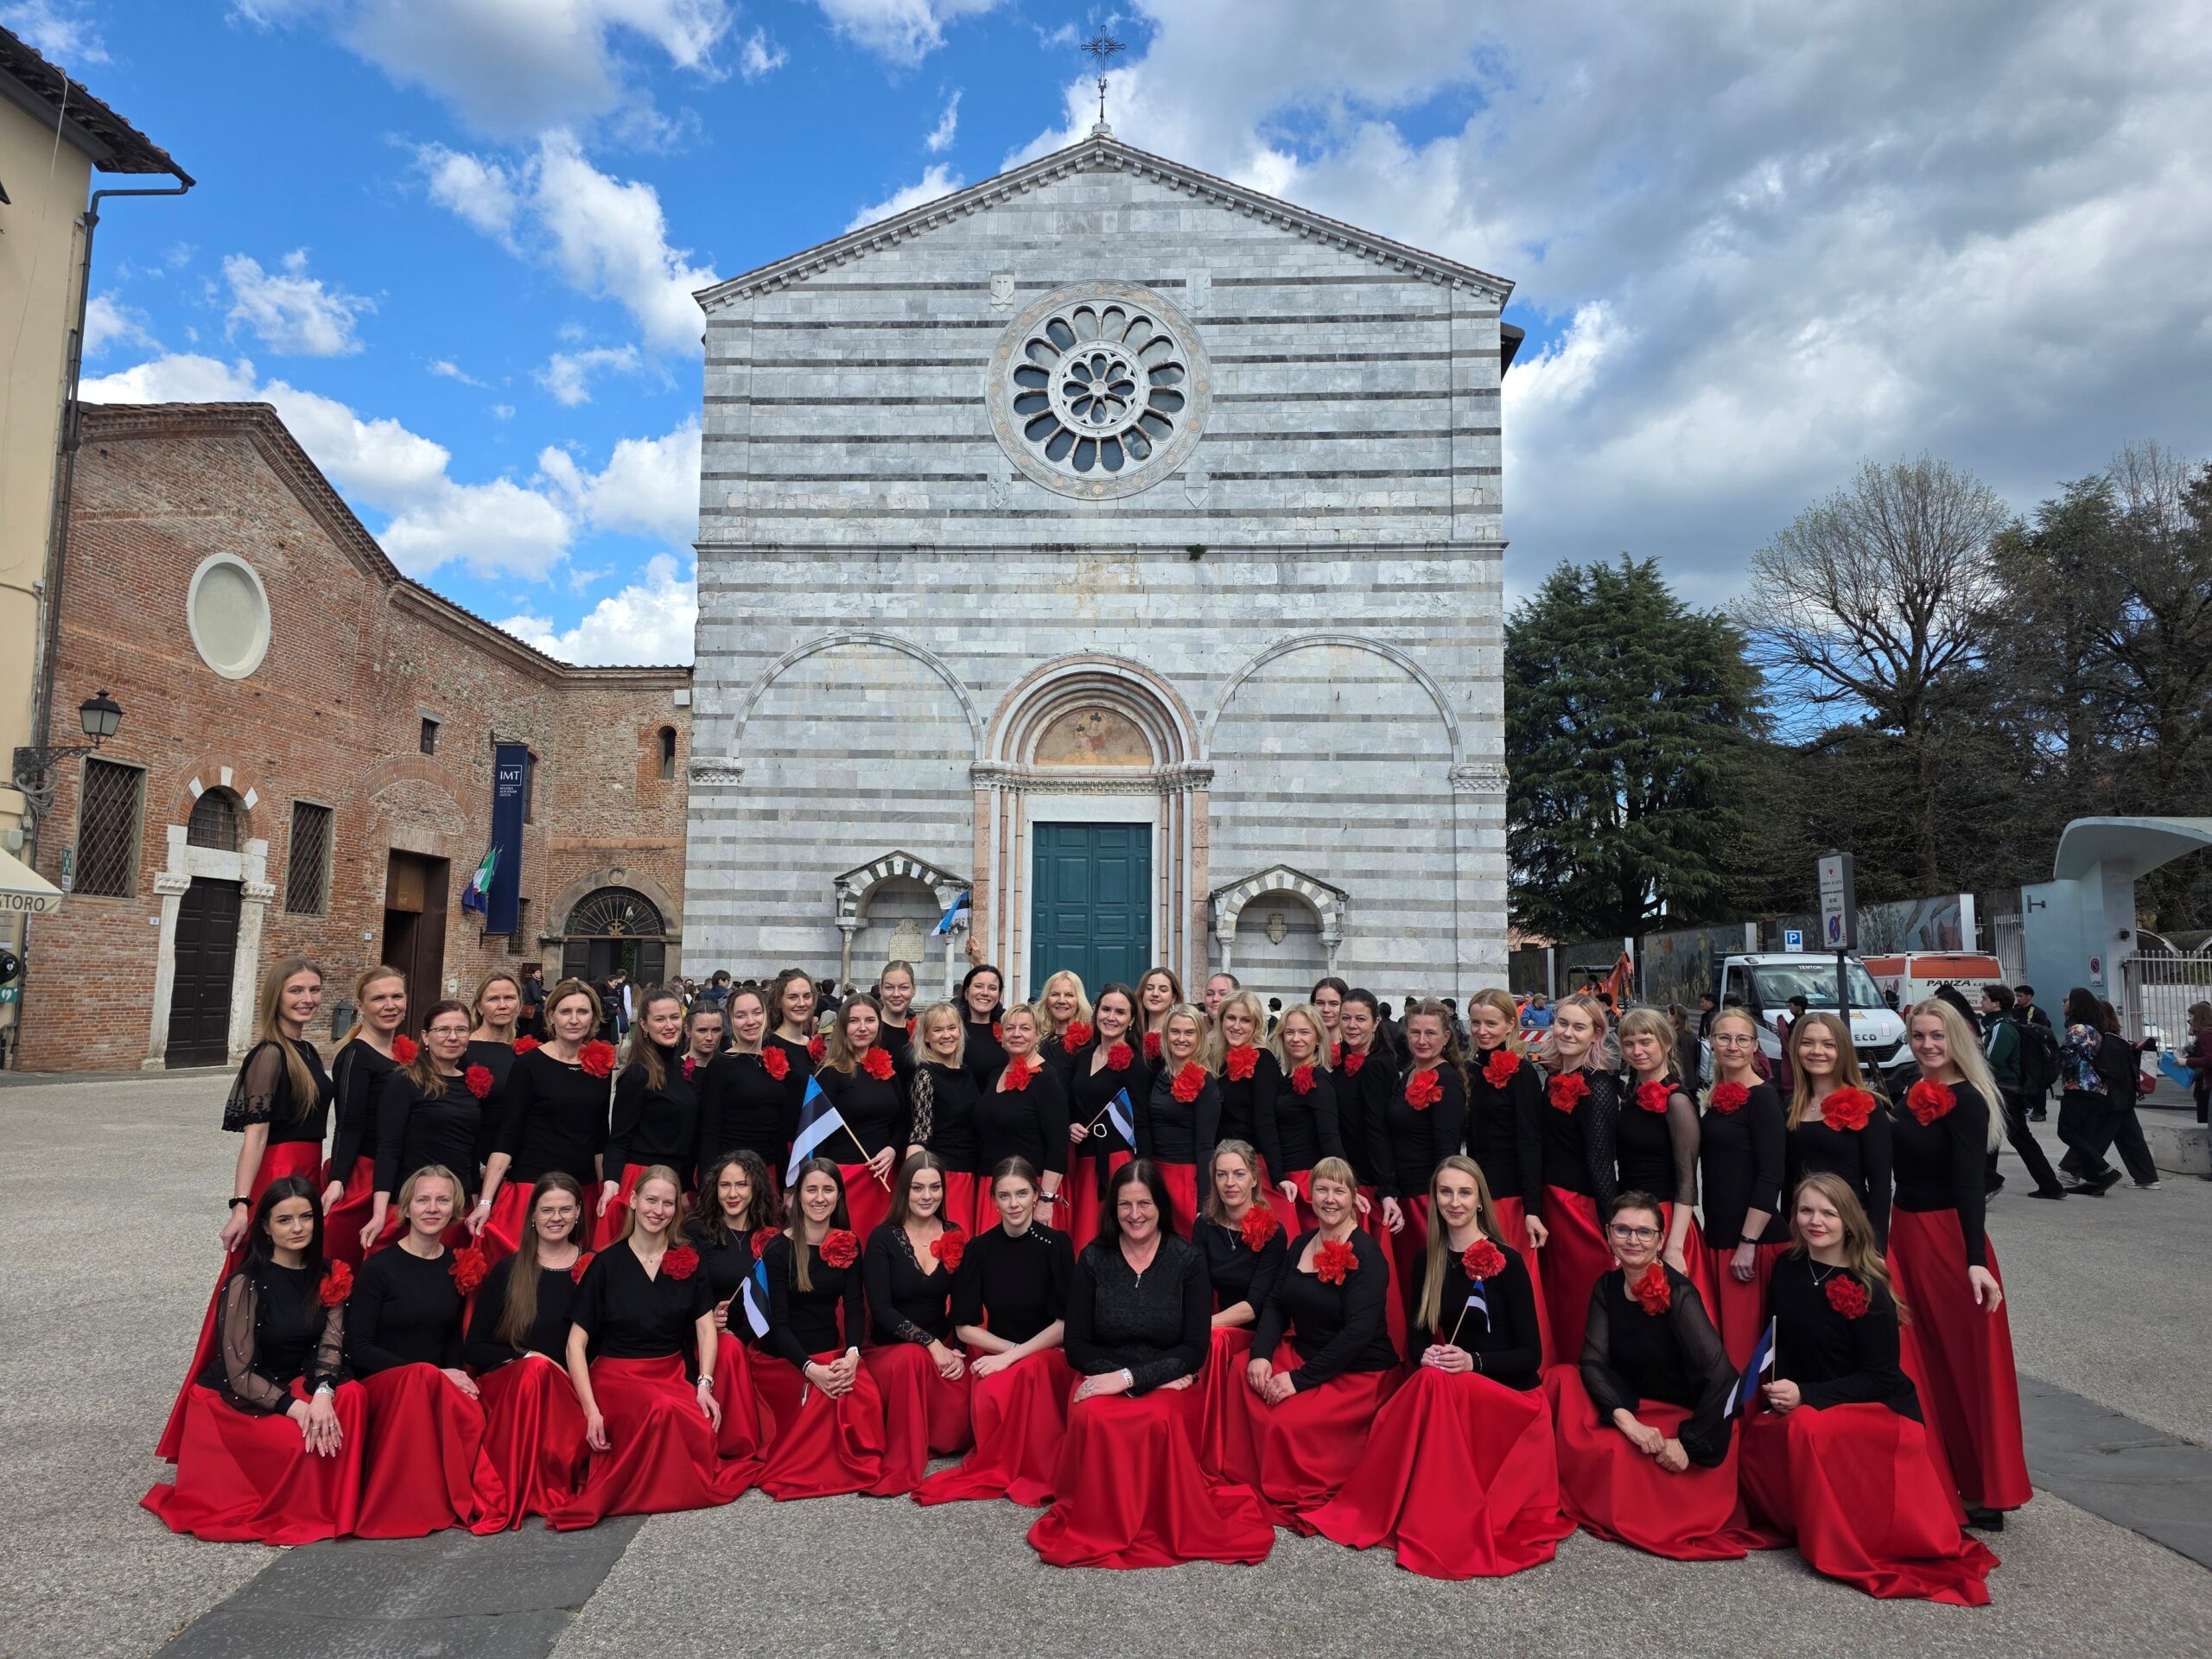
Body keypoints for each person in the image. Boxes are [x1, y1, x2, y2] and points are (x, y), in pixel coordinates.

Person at [1740, 1174, 1998, 1604]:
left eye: (1828, 1212)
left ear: (1850, 1220)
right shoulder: (1786, 1266)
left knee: (1805, 1427)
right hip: (1807, 1393)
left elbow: (1880, 1377)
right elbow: (1777, 1338)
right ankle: (1795, 1517)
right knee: (1759, 1432)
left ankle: (1832, 1540)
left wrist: (1806, 1395)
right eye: (1806, 1210)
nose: (1815, 1221)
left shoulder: (1869, 1284)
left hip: (1875, 1407)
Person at [1309, 1156, 1567, 1579]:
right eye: (1445, 1192)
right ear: (1434, 1199)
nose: (1455, 1201)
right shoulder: (1424, 1261)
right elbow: (1415, 1338)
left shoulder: (1508, 1262)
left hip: (1512, 1397)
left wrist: (1472, 1361)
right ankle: (1402, 1505)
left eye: (1464, 1192)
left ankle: (1417, 1512)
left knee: (1431, 1383)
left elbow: (1531, 1356)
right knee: (1429, 1376)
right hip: (1451, 1388)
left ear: (1480, 1200)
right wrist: (1426, 1354)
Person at [1027, 1160, 1275, 1568]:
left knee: (1159, 1419)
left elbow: (1195, 1348)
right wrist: (1119, 1379)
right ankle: (1099, 1521)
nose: (1135, 1214)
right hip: (1106, 1373)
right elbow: (1076, 1344)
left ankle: (1162, 1520)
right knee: (1093, 1416)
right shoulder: (1093, 1258)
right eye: (1125, 1205)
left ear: (1160, 1205)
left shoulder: (1188, 1261)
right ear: (1114, 1209)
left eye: (1144, 1203)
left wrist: (1135, 1378)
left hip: (1169, 1382)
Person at [157, 957, 334, 1462]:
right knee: (251, 1287)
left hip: (307, 1171)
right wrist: (242, 1204)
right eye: (296, 990)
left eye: (314, 990)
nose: (307, 999)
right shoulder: (270, 1054)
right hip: (280, 1174)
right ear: (276, 996)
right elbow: (255, 1136)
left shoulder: (305, 1048)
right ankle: (234, 1397)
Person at [143, 1178, 365, 1543]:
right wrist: (298, 1409)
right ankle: (307, 1507)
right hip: (241, 1397)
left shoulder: (330, 1274)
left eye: (306, 1217)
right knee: (298, 1443)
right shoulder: (245, 1283)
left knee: (351, 1397)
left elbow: (331, 1345)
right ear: (265, 1226)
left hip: (297, 1379)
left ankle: (339, 1503)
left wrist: (324, 1393)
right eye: (284, 1220)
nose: (298, 1228)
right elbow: (239, 1372)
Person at [1549, 1192, 1766, 1560]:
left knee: (1629, 1465)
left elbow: (1725, 1378)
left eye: (1644, 1232)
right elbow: (1593, 1361)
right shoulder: (1606, 1286)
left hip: (1685, 1414)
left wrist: (1689, 1444)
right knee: (1561, 1378)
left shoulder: (1679, 1295)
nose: (1632, 1240)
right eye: (1623, 1229)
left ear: (1661, 1240)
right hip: (1634, 1403)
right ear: (1608, 1233)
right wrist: (1626, 1420)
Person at [1888, 998, 2031, 1529]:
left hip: (1948, 1241)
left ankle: (1983, 1489)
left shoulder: (1967, 1099)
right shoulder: (1911, 1087)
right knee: (1923, 1359)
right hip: (1907, 1234)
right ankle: (1947, 1475)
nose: (1927, 1045)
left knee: (1964, 1361)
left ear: (1957, 1040)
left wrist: (1975, 1259)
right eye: (1919, 1035)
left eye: (1937, 1037)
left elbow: (1972, 1182)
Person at [551, 1167, 749, 1526]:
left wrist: (704, 1384)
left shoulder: (689, 1260)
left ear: (677, 1209)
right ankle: (649, 1491)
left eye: (668, 1203)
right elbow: (574, 1346)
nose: (658, 1210)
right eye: (651, 1200)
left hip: (671, 1370)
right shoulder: (605, 1264)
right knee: (661, 1410)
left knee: (697, 1426)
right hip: (617, 1374)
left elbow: (706, 1330)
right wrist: (591, 1410)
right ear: (634, 1201)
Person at [1243, 1157, 1399, 1524]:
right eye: (1322, 1190)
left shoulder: (1367, 1253)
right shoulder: (1299, 1245)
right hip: (1306, 1353)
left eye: (1339, 1190)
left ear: (1354, 1198)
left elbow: (1357, 1334)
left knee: (1285, 1423)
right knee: (1242, 1372)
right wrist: (1261, 1354)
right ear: (1310, 1196)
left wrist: (1297, 1380)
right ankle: (1249, 1473)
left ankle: (1291, 1483)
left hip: (1358, 1373)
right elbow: (1278, 1304)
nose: (1330, 1199)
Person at [915, 1157, 1076, 1506]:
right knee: (995, 1384)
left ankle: (1038, 1465)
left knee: (1024, 1373)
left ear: (1036, 1196)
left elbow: (1065, 1324)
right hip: (1002, 1351)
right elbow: (965, 1327)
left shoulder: (1057, 1245)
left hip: (1050, 1355)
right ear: (993, 1200)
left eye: (1022, 1194)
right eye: (1005, 1196)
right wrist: (1008, 1353)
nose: (1014, 1203)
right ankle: (1005, 1464)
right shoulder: (980, 1250)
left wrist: (1014, 1356)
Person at [345, 1166, 486, 1536]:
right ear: (406, 1208)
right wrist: (432, 1374)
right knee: (424, 1379)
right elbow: (358, 1349)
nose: (432, 1208)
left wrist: (454, 1372)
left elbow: (452, 1337)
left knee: (475, 1407)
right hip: (385, 1385)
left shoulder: (454, 1264)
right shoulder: (379, 1268)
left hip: (431, 1383)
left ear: (455, 1207)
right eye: (423, 1200)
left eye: (442, 1200)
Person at [464, 1173, 590, 1531]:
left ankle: (554, 1478)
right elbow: (474, 1348)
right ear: (532, 1215)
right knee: (536, 1374)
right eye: (547, 1209)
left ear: (579, 1212)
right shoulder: (508, 1270)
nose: (556, 1217)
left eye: (566, 1209)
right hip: (516, 1389)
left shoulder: (593, 1267)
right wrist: (529, 1359)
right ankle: (525, 1487)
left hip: (574, 1390)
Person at [754, 1159, 887, 1498]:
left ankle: (853, 1461)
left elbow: (855, 1307)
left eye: (828, 1189)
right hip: (786, 1359)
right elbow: (778, 1324)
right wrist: (812, 1370)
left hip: (831, 1351)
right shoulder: (778, 1248)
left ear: (839, 1196)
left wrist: (853, 1354)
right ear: (797, 1197)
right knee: (823, 1399)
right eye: (811, 1189)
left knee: (860, 1390)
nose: (819, 1197)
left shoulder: (848, 1243)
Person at [471, 982, 613, 1262]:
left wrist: (603, 1189)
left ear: (593, 1018)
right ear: (551, 1017)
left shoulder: (600, 1067)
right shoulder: (529, 1065)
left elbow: (600, 1137)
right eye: (566, 1011)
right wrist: (486, 1201)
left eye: (582, 1012)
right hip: (533, 1187)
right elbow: (509, 1134)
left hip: (580, 1190)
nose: (574, 1019)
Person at [861, 1152, 975, 1495]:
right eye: (917, 1188)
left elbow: (965, 1305)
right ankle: (906, 1452)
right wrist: (930, 1344)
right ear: (903, 1192)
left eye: (935, 1187)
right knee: (912, 1358)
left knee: (977, 1380)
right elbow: (880, 1308)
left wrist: (959, 1351)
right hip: (890, 1351)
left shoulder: (955, 1233)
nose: (927, 1196)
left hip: (943, 1345)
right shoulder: (883, 1237)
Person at [1696, 1007, 1791, 1369]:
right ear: (1712, 1043)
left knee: (1743, 1354)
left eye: (1742, 1039)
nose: (1732, 1046)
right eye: (1724, 1038)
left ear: (1755, 1046)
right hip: (1719, 1238)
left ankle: (1745, 1424)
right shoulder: (1718, 1095)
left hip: (1753, 1244)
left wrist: (1748, 1244)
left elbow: (1771, 1175)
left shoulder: (1764, 1098)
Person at [1192, 1139, 1287, 1488]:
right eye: (1222, 1174)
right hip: (1217, 1323)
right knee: (1208, 1338)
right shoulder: (1205, 1225)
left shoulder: (1274, 1232)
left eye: (1238, 1173)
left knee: (1214, 1340)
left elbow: (1255, 1305)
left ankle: (1210, 1450)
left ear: (1253, 1179)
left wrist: (1200, 1327)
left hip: (1255, 1330)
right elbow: (1197, 1287)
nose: (1230, 1182)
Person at [1535, 994, 1620, 1361]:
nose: (1568, 1032)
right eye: (1562, 1023)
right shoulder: (1555, 1075)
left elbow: (1601, 1162)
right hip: (1551, 1201)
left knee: (1580, 1298)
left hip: (1578, 1207)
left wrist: (1610, 1223)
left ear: (1595, 1034)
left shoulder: (1599, 1084)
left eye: (1579, 1027)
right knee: (1556, 1296)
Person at [1376, 1001, 1471, 1311]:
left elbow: (1447, 1149)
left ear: (1446, 1038)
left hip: (1425, 1200)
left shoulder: (1447, 1080)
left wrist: (1441, 1205)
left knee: (1428, 1283)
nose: (1422, 1040)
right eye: (1415, 1032)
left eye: (1431, 1033)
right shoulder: (1404, 1075)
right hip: (1401, 1196)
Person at [365, 1001, 480, 1254]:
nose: (452, 1037)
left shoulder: (470, 1084)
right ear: (426, 1037)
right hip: (414, 1206)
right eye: (443, 1030)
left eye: (461, 1030)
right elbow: (388, 1148)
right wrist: (379, 1212)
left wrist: (475, 1205)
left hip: (456, 1208)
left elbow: (469, 1151)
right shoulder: (405, 1081)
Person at [686, 1150, 777, 1462]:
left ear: (755, 1189)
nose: (733, 1193)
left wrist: (741, 1333)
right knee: (728, 1349)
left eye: (742, 1185)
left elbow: (772, 1298)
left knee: (736, 1346)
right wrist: (708, 1316)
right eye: (725, 1185)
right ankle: (732, 1445)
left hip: (755, 1334)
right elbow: (690, 1290)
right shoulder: (697, 1231)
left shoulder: (770, 1236)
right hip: (709, 1335)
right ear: (714, 1188)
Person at [596, 988, 699, 1247]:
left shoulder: (679, 1067)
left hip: (676, 1179)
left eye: (674, 1018)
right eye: (660, 1019)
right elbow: (619, 1137)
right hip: (643, 1178)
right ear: (643, 1024)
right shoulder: (637, 1074)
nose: (669, 1025)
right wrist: (611, 1182)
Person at [1616, 1008, 1707, 1295]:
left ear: (1666, 1043)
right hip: (1631, 1221)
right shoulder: (1630, 1096)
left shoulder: (1677, 1101)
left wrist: (1675, 1246)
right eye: (1629, 1043)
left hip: (1667, 1223)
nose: (1637, 1050)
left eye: (1646, 1041)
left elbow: (1687, 1182)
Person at [1783, 1011, 1894, 1245]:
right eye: (1807, 1043)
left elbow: (1880, 1184)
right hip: (1803, 1229)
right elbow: (1787, 1180)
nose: (1817, 1051)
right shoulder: (1789, 1105)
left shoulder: (1868, 1105)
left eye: (1828, 1044)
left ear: (1842, 1050)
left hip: (1851, 1231)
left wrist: (1877, 1249)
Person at [323, 966, 410, 1267]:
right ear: (360, 1006)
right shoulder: (356, 1055)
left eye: (397, 996)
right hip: (366, 1172)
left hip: (396, 1169)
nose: (390, 1005)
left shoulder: (399, 1052)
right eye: (379, 998)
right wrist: (338, 1180)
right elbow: (349, 1122)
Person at [810, 991, 911, 1242]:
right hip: (846, 1177)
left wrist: (891, 1149)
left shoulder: (887, 1068)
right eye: (854, 1021)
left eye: (870, 1020)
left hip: (885, 1175)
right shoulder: (829, 1072)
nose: (862, 1028)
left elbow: (903, 1118)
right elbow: (816, 1136)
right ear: (843, 1026)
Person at [1064, 982, 1148, 1254]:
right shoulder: (1081, 1057)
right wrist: (1071, 1125)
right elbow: (1073, 1105)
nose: (1111, 1017)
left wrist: (1143, 1175)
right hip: (1080, 1161)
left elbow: (1142, 1122)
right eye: (1106, 1009)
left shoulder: (1136, 1064)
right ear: (1096, 1012)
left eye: (1120, 1012)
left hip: (1116, 1162)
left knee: (1106, 1234)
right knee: (1079, 1233)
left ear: (1131, 1019)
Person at [976, 1001, 1071, 1233]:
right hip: (992, 1188)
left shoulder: (1047, 1079)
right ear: (1001, 1035)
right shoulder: (994, 1076)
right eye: (1010, 1028)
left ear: (1038, 1034)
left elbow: (1058, 1144)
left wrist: (1046, 1201)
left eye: (1025, 1028)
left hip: (1029, 1192)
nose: (1016, 1034)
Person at [1137, 1003, 1218, 1234]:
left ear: (1199, 1037)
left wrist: (1205, 1201)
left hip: (1186, 1178)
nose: (1181, 1039)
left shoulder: (1207, 1083)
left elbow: (1205, 1146)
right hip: (1156, 1173)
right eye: (1175, 1031)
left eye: (1189, 1032)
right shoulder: (1158, 1073)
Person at [696, 985, 795, 1175]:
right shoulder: (721, 1064)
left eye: (756, 1013)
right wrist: (707, 1184)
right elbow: (710, 1129)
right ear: (731, 1020)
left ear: (766, 1014)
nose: (750, 1021)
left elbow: (780, 1128)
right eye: (741, 1016)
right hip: (733, 1172)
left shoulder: (775, 1057)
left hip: (770, 1170)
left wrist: (786, 1182)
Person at [1979, 984, 2065, 1198]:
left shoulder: (2002, 1027)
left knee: (2003, 1136)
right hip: (2009, 1090)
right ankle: (2050, 1186)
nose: (1981, 1003)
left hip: (2003, 1090)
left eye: (1984, 999)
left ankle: (1990, 1183)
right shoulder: (2007, 1023)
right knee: (2004, 1137)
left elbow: (1992, 1060)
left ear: (1996, 1003)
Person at [906, 1001, 984, 1232]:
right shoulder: (925, 1075)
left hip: (971, 1172)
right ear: (926, 1037)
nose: (946, 1035)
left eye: (951, 1028)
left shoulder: (966, 1071)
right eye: (938, 1030)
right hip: (946, 1176)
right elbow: (920, 1132)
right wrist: (916, 1183)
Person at [1268, 1003, 1344, 1230]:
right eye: (1290, 1032)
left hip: (1306, 1183)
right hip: (1287, 1180)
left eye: (1304, 1032)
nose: (1296, 1038)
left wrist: (1344, 1186)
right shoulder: (1285, 1079)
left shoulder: (1318, 1080)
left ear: (1318, 1039)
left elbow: (1330, 1136)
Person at [1211, 989, 1285, 1189]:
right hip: (1221, 1164)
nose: (1236, 1026)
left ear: (1256, 1025)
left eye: (1245, 1020)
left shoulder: (1264, 1060)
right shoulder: (1217, 1059)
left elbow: (1266, 1119)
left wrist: (1278, 1176)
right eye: (1231, 1018)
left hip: (1250, 1166)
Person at [466, 973, 526, 1180]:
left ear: (519, 1003)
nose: (503, 1005)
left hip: (515, 1162)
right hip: (478, 1162)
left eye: (509, 998)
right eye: (493, 999)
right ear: (480, 1007)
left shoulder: (520, 1051)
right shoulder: (463, 1049)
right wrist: (478, 1166)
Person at [1037, 969, 1094, 1089]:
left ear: (1078, 1001)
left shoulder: (1090, 1044)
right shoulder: (1038, 1040)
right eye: (1055, 995)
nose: (1061, 1001)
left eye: (1069, 995)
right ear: (1047, 1001)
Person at [957, 963, 1007, 1094]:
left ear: (999, 995)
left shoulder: (1009, 1032)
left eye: (992, 988)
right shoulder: (952, 1031)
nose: (985, 993)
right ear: (966, 992)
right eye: (978, 986)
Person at [1135, 965, 1184, 1062]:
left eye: (1163, 990)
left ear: (1173, 998)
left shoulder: (1178, 1034)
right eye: (1149, 988)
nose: (1155, 994)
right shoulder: (1132, 1030)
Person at [875, 959, 918, 1065]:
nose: (896, 994)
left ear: (914, 989)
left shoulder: (919, 1032)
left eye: (903, 988)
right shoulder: (868, 1029)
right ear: (880, 989)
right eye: (889, 987)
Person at [1308, 976, 1348, 1047]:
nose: (1326, 1009)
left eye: (1334, 1004)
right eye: (1320, 1003)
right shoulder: (1303, 1043)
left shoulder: (1355, 1046)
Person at [518, 966, 547, 1042]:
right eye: (537, 972)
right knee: (535, 1029)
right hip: (536, 1009)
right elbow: (536, 997)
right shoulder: (533, 983)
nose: (539, 974)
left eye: (540, 972)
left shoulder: (534, 982)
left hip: (535, 1009)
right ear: (533, 974)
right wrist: (543, 998)